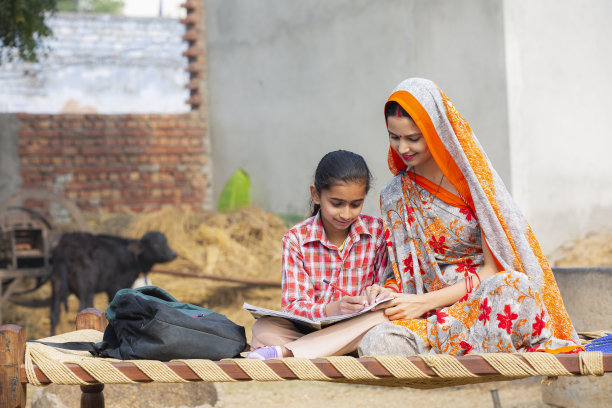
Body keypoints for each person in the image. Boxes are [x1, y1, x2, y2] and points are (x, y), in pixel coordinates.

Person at [359, 78, 581, 356]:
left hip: (481, 301)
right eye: (395, 137)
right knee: (377, 342)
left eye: (413, 138)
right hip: (428, 318)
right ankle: (466, 348)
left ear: (436, 130)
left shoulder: (472, 183)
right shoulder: (395, 194)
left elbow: (492, 269)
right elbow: (401, 272)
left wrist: (424, 302)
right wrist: (386, 293)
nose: (403, 148)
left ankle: (450, 350)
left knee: (513, 286)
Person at [247, 150, 389, 359]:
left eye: (355, 204)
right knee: (264, 328)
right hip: (314, 331)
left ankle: (289, 352)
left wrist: (377, 295)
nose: (346, 214)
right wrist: (333, 309)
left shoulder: (376, 232)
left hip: (361, 326)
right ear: (316, 195)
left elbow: (384, 291)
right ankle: (330, 349)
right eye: (336, 203)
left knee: (384, 317)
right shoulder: (296, 239)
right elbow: (294, 306)